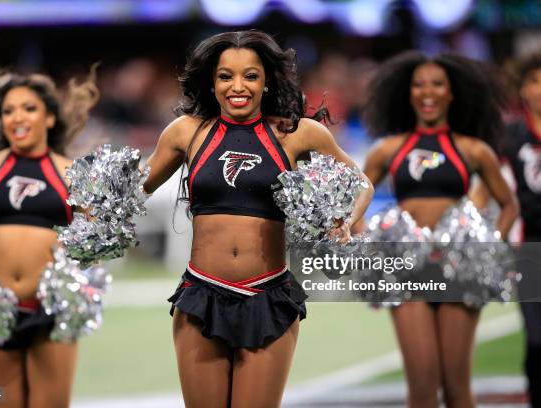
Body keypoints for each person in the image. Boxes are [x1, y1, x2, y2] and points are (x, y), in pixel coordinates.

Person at [142, 30, 374, 408]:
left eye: (250, 75)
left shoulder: (297, 134)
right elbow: (135, 192)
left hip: (268, 295)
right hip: (202, 294)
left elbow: (361, 183)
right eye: (225, 76)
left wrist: (345, 221)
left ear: (267, 81)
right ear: (211, 82)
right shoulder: (187, 132)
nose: (238, 86)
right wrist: (90, 208)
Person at [358, 51, 519, 407]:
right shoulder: (387, 150)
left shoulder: (473, 149)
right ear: (408, 93)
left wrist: (490, 245)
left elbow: (508, 204)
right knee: (421, 386)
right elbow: (357, 201)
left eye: (437, 84)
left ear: (452, 93)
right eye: (419, 85)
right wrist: (363, 237)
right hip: (407, 270)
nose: (427, 92)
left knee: (457, 387)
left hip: (459, 268)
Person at [0, 71, 98, 407]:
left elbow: (95, 234)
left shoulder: (71, 172)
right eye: (9, 111)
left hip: (51, 310)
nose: (17, 118)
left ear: (50, 117)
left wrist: (80, 275)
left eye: (28, 108)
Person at [470, 52, 541, 407]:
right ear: (522, 89)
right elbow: (484, 191)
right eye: (533, 81)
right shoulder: (510, 137)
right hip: (528, 249)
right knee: (536, 337)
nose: (540, 89)